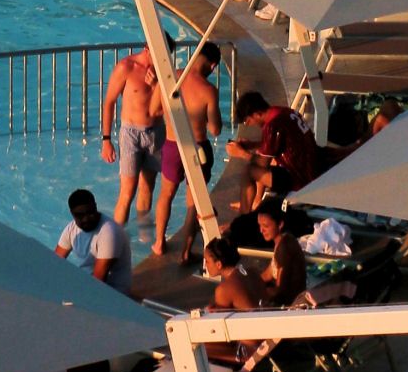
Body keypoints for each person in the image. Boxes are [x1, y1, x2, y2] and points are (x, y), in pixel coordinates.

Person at [150, 42, 223, 257]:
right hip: (198, 147)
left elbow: (153, 111)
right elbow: (215, 129)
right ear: (213, 65)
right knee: (194, 201)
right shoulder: (208, 90)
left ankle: (159, 242)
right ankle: (186, 251)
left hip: (173, 144)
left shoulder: (169, 78)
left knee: (166, 194)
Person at [100, 42, 167, 224]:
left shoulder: (164, 70)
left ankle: (144, 233)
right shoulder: (126, 67)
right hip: (131, 133)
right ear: (147, 49)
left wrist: (157, 85)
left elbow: (169, 104)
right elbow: (109, 102)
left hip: (156, 131)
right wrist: (106, 140)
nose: (162, 59)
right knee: (127, 191)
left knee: (148, 187)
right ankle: (118, 235)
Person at [225, 89, 319, 210]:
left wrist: (241, 153)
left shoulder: (273, 125)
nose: (248, 125)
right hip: (311, 168)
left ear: (257, 113)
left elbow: (261, 164)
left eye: (247, 121)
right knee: (262, 154)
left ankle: (244, 215)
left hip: (299, 179)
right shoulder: (285, 112)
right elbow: (280, 145)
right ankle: (255, 201)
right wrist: (253, 145)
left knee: (249, 171)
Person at [55, 188, 134, 293]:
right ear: (72, 214)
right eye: (80, 215)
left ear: (95, 207)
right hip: (88, 282)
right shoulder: (71, 229)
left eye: (90, 213)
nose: (86, 219)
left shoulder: (109, 232)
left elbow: (98, 281)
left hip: (113, 291)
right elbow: (55, 262)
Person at [199, 236, 262, 364]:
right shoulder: (253, 272)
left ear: (219, 264)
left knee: (196, 344)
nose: (205, 265)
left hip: (248, 349)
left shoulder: (224, 289)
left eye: (207, 261)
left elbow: (217, 328)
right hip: (266, 336)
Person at [256, 197, 307, 305]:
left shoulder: (285, 247)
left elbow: (280, 290)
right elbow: (267, 274)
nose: (261, 230)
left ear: (280, 224)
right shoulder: (282, 241)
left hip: (292, 303)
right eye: (260, 225)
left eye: (265, 226)